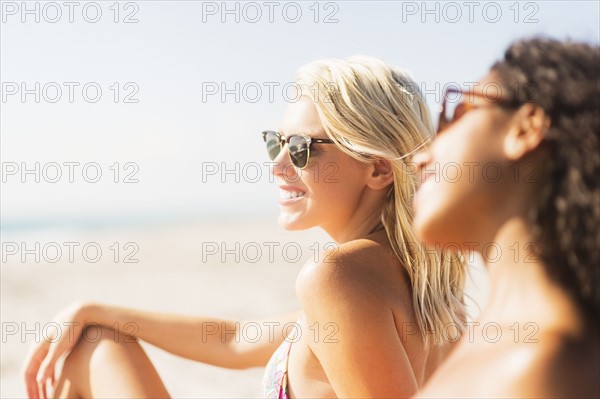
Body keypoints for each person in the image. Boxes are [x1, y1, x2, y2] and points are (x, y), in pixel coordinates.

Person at [23, 56, 467, 399]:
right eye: (274, 142)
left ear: (377, 170)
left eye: (300, 148)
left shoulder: (339, 276)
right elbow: (234, 341)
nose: (276, 164)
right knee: (95, 337)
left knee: (83, 353)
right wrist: (93, 310)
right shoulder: (428, 289)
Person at [411, 38, 600, 398]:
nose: (421, 156)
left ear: (527, 128)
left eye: (456, 112)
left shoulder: (542, 367)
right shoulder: (496, 340)